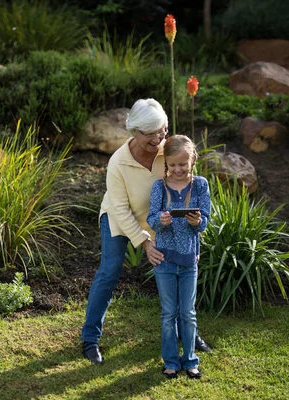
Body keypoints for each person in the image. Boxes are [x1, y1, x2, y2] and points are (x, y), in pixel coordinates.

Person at [81, 99, 211, 366]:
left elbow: (187, 175)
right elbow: (119, 209)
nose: (158, 138)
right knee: (110, 270)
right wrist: (144, 242)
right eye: (150, 133)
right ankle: (90, 340)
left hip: (160, 220)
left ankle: (189, 334)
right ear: (134, 132)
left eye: (161, 131)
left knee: (177, 270)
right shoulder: (118, 163)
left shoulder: (168, 150)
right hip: (120, 218)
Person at [146, 134, 211, 379]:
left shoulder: (201, 185)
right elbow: (151, 219)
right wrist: (161, 222)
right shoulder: (159, 187)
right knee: (168, 313)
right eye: (172, 165)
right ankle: (171, 361)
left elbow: (204, 222)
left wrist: (197, 221)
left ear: (192, 160)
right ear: (166, 165)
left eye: (182, 164)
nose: (177, 169)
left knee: (187, 312)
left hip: (188, 260)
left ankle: (191, 361)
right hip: (164, 259)